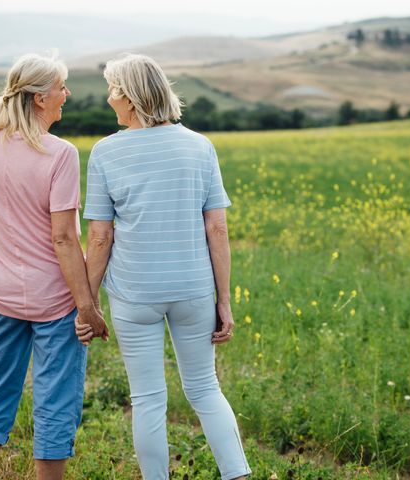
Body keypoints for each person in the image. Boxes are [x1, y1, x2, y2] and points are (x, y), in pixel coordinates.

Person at [77, 53, 251, 480]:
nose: (108, 98)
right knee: (206, 389)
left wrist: (87, 304)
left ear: (132, 98)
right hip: (193, 290)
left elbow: (100, 237)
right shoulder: (200, 145)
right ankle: (238, 474)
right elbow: (218, 230)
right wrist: (223, 300)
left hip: (135, 294)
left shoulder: (105, 153)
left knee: (148, 400)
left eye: (114, 90)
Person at [0, 52, 108, 480]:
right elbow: (63, 238)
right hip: (56, 303)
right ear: (40, 98)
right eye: (61, 87)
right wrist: (87, 307)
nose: (67, 94)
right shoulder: (59, 154)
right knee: (55, 403)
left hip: (0, 296)